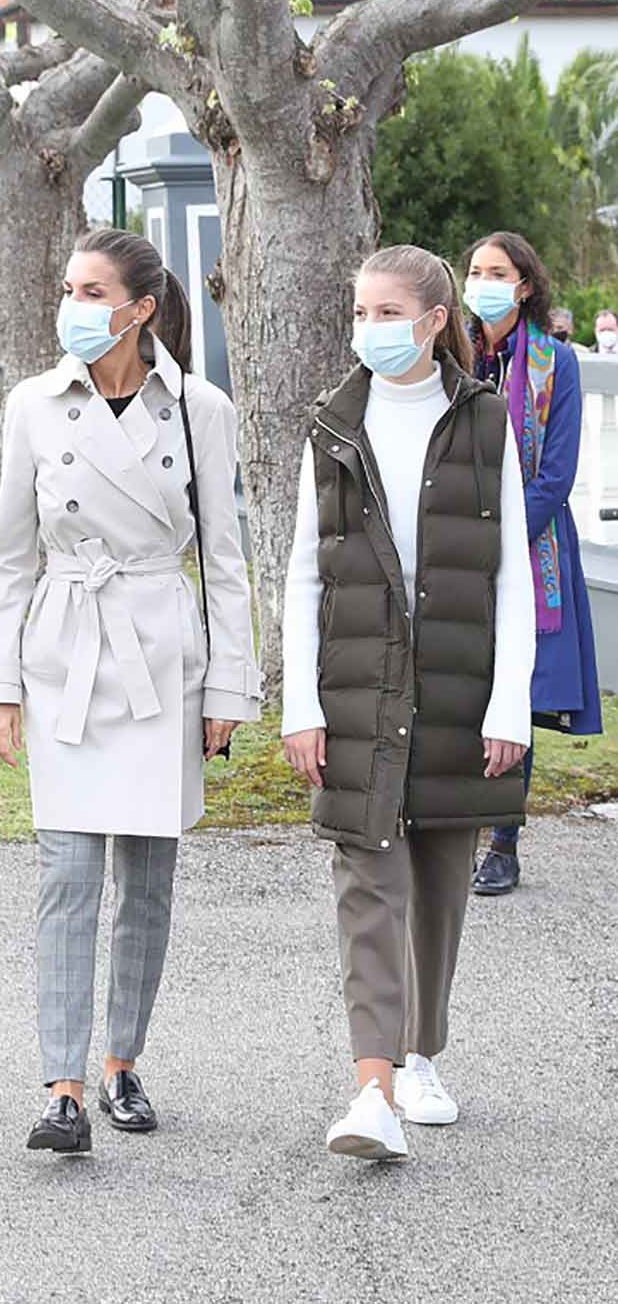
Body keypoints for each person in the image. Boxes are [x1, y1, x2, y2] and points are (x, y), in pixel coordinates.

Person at [0, 226, 259, 1155]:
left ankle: (122, 1066)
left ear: (140, 310)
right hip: (66, 654)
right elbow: (6, 560)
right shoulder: (31, 404)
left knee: (145, 879)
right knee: (65, 874)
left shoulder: (200, 410)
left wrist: (230, 689)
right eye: (68, 288)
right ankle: (61, 1083)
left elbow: (225, 560)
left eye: (93, 292)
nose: (74, 308)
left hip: (158, 654)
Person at [282, 244, 534, 1163]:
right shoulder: (334, 424)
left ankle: (424, 1053)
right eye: (361, 313)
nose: (369, 330)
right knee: (366, 880)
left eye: (387, 313)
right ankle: (372, 1086)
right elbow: (303, 571)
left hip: (459, 686)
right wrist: (300, 706)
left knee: (436, 883)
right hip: (358, 684)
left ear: (433, 322)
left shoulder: (485, 420)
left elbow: (511, 577)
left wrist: (509, 704)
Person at [465, 233, 603, 896]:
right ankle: (454, 825)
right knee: (457, 687)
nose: (483, 281)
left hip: (531, 544)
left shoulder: (555, 362)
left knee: (512, 691)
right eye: (474, 271)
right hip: (453, 545)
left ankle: (503, 841)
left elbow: (557, 472)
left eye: (497, 272)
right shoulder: (448, 354)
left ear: (523, 285)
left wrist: (502, 535)